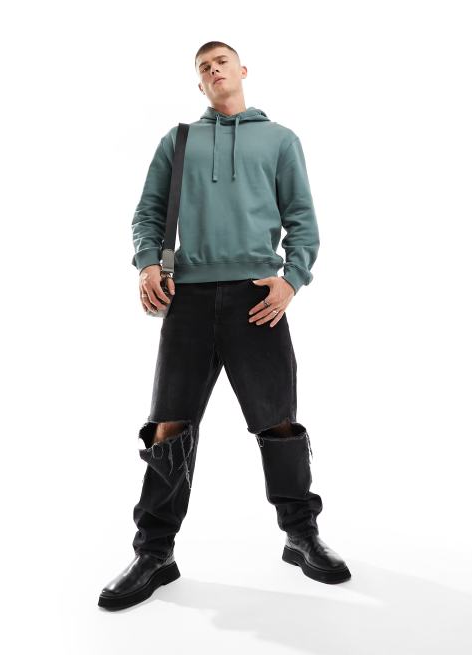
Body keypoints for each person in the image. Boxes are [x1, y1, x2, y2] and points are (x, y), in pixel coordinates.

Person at [98, 41, 351, 612]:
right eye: (204, 67)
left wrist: (292, 280)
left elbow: (302, 219)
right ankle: (154, 553)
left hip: (256, 297)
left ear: (242, 71)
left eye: (222, 63)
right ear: (200, 84)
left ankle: (301, 536)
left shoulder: (280, 139)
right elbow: (147, 212)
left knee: (279, 422)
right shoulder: (180, 139)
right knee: (168, 425)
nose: (214, 70)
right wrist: (147, 265)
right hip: (187, 298)